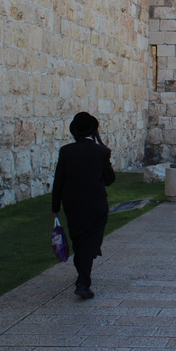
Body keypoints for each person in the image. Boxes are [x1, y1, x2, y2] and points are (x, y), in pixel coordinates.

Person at [51, 112, 116, 300]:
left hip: (72, 204)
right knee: (90, 241)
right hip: (95, 204)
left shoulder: (66, 151)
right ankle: (83, 282)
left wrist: (55, 207)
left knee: (79, 240)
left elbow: (59, 181)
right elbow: (110, 179)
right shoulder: (101, 152)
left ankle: (82, 275)